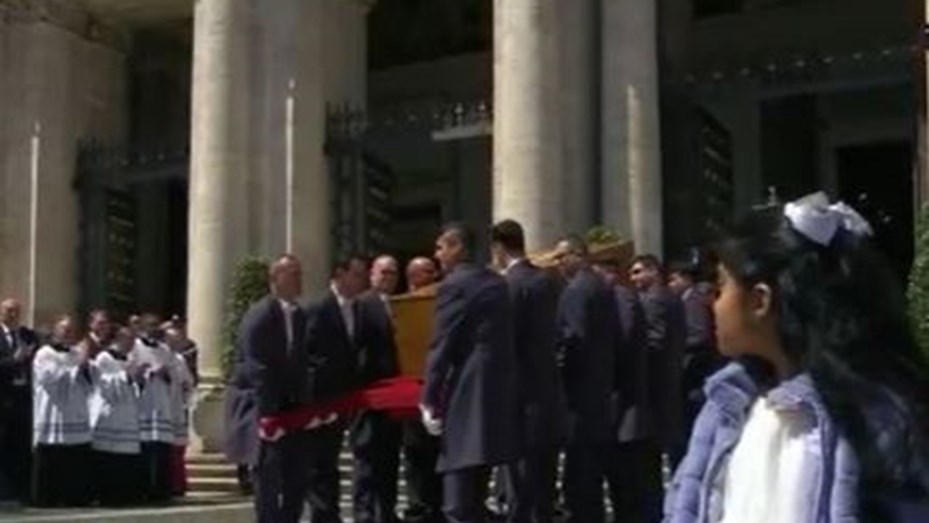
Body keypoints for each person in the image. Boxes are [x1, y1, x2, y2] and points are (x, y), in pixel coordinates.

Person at [665, 193, 929, 523]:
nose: (712, 305)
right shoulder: (726, 406)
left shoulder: (874, 420)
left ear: (759, 301)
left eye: (721, 287)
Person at [489, 220, 567, 523]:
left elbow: (504, 344)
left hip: (519, 402)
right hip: (549, 397)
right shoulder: (549, 282)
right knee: (544, 490)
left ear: (498, 247)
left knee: (520, 492)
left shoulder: (508, 285)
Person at [225, 254, 311, 523]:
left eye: (300, 272)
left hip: (291, 410)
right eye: (293, 273)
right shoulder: (260, 314)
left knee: (297, 476)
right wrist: (267, 416)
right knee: (269, 478)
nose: (299, 279)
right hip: (262, 408)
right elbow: (256, 367)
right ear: (275, 279)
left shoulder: (299, 316)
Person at [552, 235, 617, 523]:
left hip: (579, 397)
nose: (557, 263)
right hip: (600, 393)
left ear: (577, 255)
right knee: (590, 477)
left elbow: (573, 340)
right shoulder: (601, 287)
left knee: (578, 481)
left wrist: (556, 373)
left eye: (561, 257)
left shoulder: (576, 290)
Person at [592, 260, 661, 523]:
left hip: (623, 407)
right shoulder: (621, 298)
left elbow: (623, 350)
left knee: (627, 486)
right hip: (621, 406)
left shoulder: (620, 298)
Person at [304, 254, 370, 523]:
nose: (362, 280)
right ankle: (324, 515)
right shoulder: (318, 308)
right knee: (319, 464)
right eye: (357, 274)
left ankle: (329, 514)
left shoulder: (359, 309)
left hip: (347, 400)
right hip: (320, 401)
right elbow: (305, 355)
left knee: (329, 462)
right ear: (339, 275)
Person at [352, 255, 403, 523]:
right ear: (372, 274)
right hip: (370, 397)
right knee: (367, 461)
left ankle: (386, 513)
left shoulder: (398, 305)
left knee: (389, 459)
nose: (388, 278)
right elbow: (356, 350)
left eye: (393, 273)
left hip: (393, 399)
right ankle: (364, 515)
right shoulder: (363, 304)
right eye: (383, 273)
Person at [31, 316, 96, 507]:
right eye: (64, 330)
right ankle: (46, 497)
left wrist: (85, 366)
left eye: (71, 331)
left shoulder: (76, 353)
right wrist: (79, 364)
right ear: (55, 332)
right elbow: (50, 378)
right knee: (51, 456)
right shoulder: (45, 353)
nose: (68, 334)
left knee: (75, 456)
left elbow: (89, 382)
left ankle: (74, 495)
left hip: (75, 412)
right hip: (53, 411)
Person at [629, 254, 686, 470]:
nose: (633, 278)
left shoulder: (653, 299)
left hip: (657, 383)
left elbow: (655, 341)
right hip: (670, 378)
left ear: (653, 271)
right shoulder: (671, 297)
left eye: (637, 272)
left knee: (654, 448)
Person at [402, 256, 444, 523]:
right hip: (411, 396)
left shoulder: (441, 306)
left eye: (433, 272)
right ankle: (419, 509)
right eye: (425, 272)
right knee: (417, 459)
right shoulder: (403, 308)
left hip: (440, 395)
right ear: (412, 277)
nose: (432, 276)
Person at [667, 261, 724, 447]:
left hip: (698, 371)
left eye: (674, 279)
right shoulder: (691, 299)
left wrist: (675, 345)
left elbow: (699, 334)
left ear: (686, 279)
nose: (671, 284)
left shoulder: (693, 300)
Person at [90, 324, 144, 506]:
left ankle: (126, 494)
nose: (132, 344)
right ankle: (108, 494)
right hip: (110, 414)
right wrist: (127, 376)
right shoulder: (104, 358)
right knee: (110, 458)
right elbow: (103, 384)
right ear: (118, 339)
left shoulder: (129, 359)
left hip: (128, 415)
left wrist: (138, 378)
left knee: (126, 458)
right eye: (129, 339)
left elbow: (134, 387)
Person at [130, 314, 179, 503]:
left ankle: (162, 490)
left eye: (156, 325)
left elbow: (175, 373)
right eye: (150, 325)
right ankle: (144, 489)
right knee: (145, 448)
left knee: (161, 449)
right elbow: (131, 371)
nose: (154, 329)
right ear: (142, 327)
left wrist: (166, 374)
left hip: (161, 402)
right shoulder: (135, 347)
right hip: (144, 403)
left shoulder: (165, 349)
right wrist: (149, 372)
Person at [0, 298, 39, 503]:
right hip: (3, 400)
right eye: (9, 310)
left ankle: (22, 491)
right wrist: (14, 360)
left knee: (22, 447)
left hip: (24, 399)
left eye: (16, 310)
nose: (13, 314)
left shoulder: (28, 335)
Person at [165, 325, 195, 497]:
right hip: (158, 407)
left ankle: (178, 484)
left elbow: (188, 382)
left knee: (177, 450)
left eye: (177, 340)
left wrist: (186, 389)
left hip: (176, 407)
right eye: (171, 339)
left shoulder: (179, 359)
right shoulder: (158, 356)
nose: (174, 343)